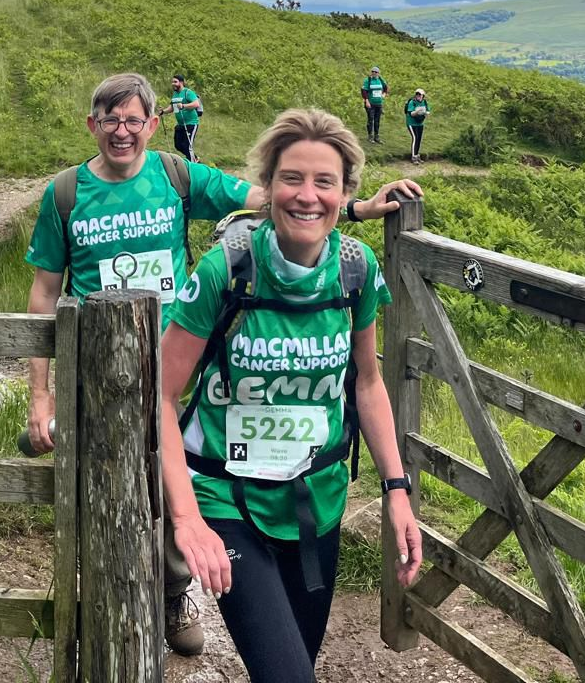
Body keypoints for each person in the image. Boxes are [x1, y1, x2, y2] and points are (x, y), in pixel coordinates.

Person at [24, 74, 420, 656]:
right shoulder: (65, 195)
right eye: (110, 120)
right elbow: (43, 292)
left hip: (186, 361)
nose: (122, 131)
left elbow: (261, 198)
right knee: (110, 493)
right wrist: (43, 393)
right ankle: (113, 606)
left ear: (153, 126)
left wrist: (356, 208)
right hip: (103, 372)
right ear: (93, 126)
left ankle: (169, 590)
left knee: (167, 479)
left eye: (134, 120)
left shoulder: (175, 177)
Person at [159, 109, 423, 682]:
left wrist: (398, 490)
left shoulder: (356, 271)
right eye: (292, 179)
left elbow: (369, 382)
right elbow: (161, 396)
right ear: (268, 187)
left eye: (324, 182)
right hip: (228, 500)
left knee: (294, 665)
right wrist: (187, 520)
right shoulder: (225, 270)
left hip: (316, 502)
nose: (307, 196)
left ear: (345, 191)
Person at [164, 74, 203, 162]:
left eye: (175, 82)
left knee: (187, 146)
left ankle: (194, 167)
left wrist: (183, 106)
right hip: (180, 124)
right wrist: (163, 111)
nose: (173, 84)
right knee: (178, 145)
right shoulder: (175, 94)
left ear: (181, 82)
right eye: (172, 82)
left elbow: (196, 104)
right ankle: (195, 159)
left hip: (191, 123)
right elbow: (172, 107)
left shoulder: (187, 92)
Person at [361, 66, 388, 143]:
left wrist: (384, 94)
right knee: (370, 119)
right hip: (370, 103)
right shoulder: (368, 80)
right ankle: (370, 136)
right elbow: (364, 91)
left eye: (376, 72)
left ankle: (377, 136)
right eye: (373, 71)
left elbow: (385, 88)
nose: (374, 73)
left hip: (379, 103)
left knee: (377, 120)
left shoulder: (381, 80)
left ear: (378, 73)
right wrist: (367, 101)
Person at [405, 88, 431, 164]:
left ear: (423, 96)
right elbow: (411, 113)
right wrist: (417, 111)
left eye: (420, 94)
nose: (418, 96)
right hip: (411, 123)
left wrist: (426, 113)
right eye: (417, 94)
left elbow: (428, 110)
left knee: (419, 139)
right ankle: (413, 157)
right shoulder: (412, 102)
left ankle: (417, 155)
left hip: (420, 123)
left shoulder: (424, 102)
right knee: (415, 138)